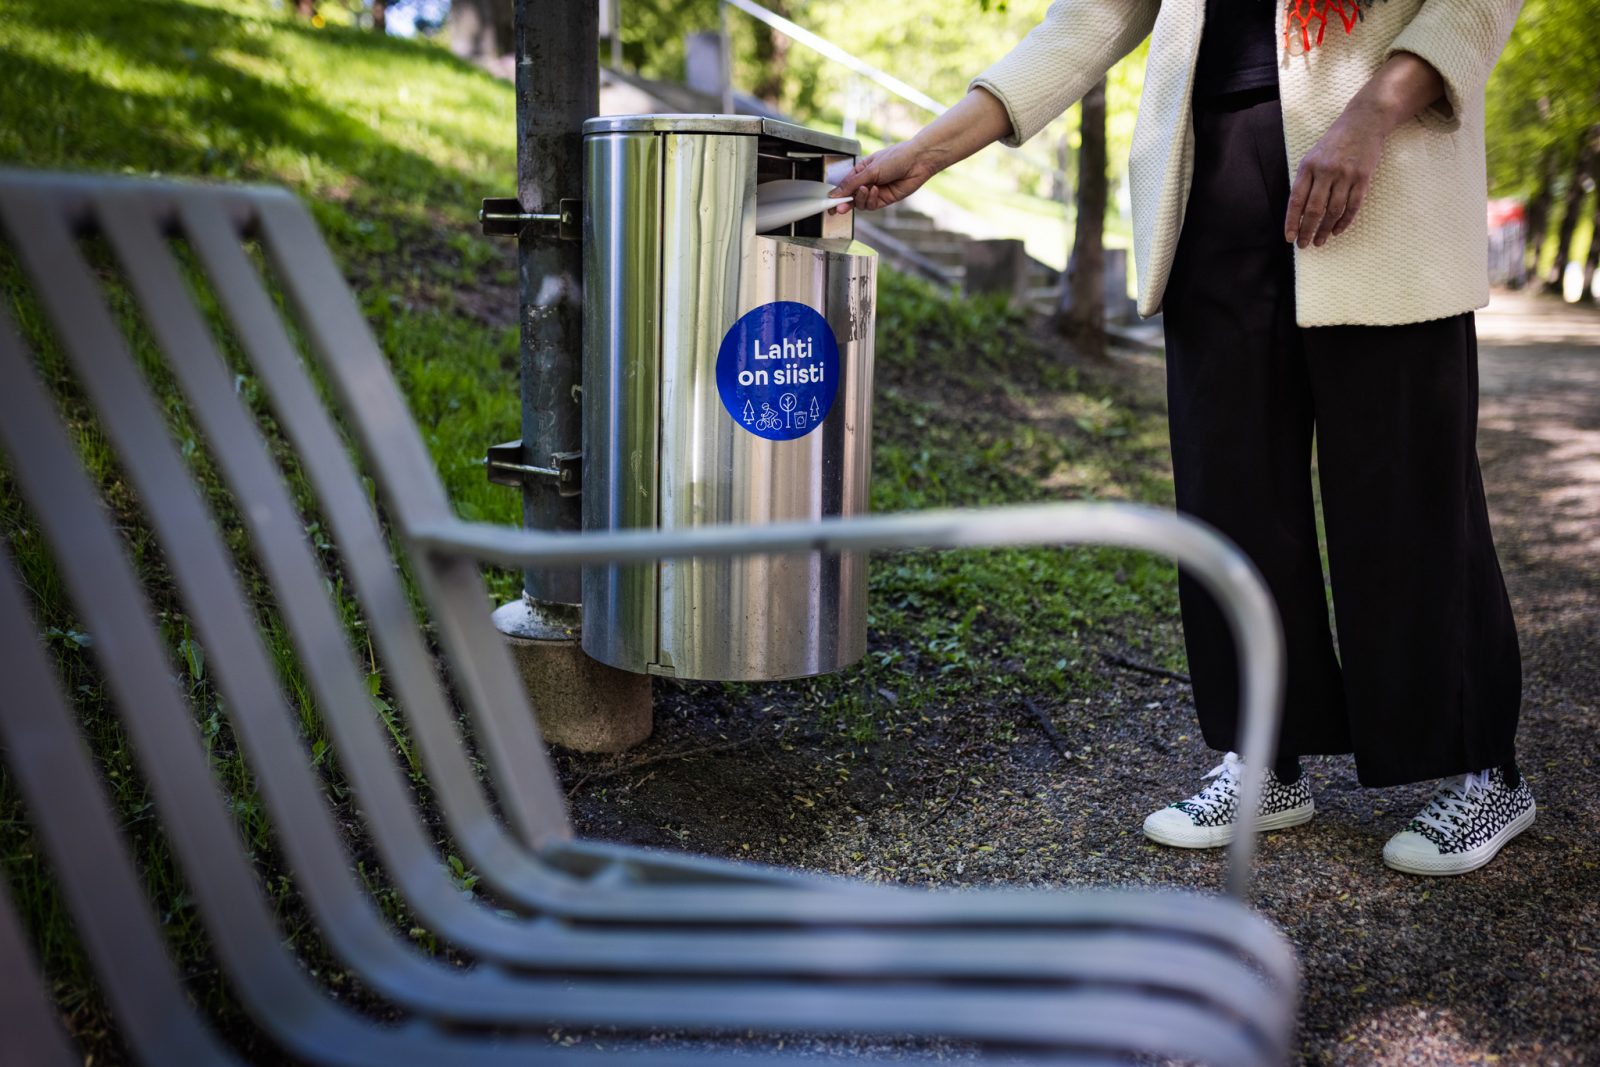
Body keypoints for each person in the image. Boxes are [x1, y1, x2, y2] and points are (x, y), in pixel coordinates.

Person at [830, 0, 1534, 876]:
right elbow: (1088, 20)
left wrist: (1371, 115)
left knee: (1406, 480)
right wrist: (929, 151)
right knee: (1232, 486)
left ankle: (1483, 766)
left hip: (1384, 157)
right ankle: (1264, 756)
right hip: (1214, 171)